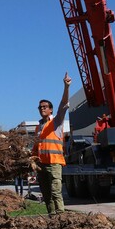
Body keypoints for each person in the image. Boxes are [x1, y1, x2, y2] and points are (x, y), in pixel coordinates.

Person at [32, 72, 71, 217]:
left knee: (56, 192)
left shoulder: (56, 122)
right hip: (42, 166)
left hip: (54, 163)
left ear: (51, 110)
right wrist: (33, 161)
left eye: (45, 106)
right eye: (40, 107)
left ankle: (61, 217)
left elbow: (63, 104)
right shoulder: (38, 127)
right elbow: (36, 148)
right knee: (46, 194)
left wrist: (66, 87)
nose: (42, 108)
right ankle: (52, 217)